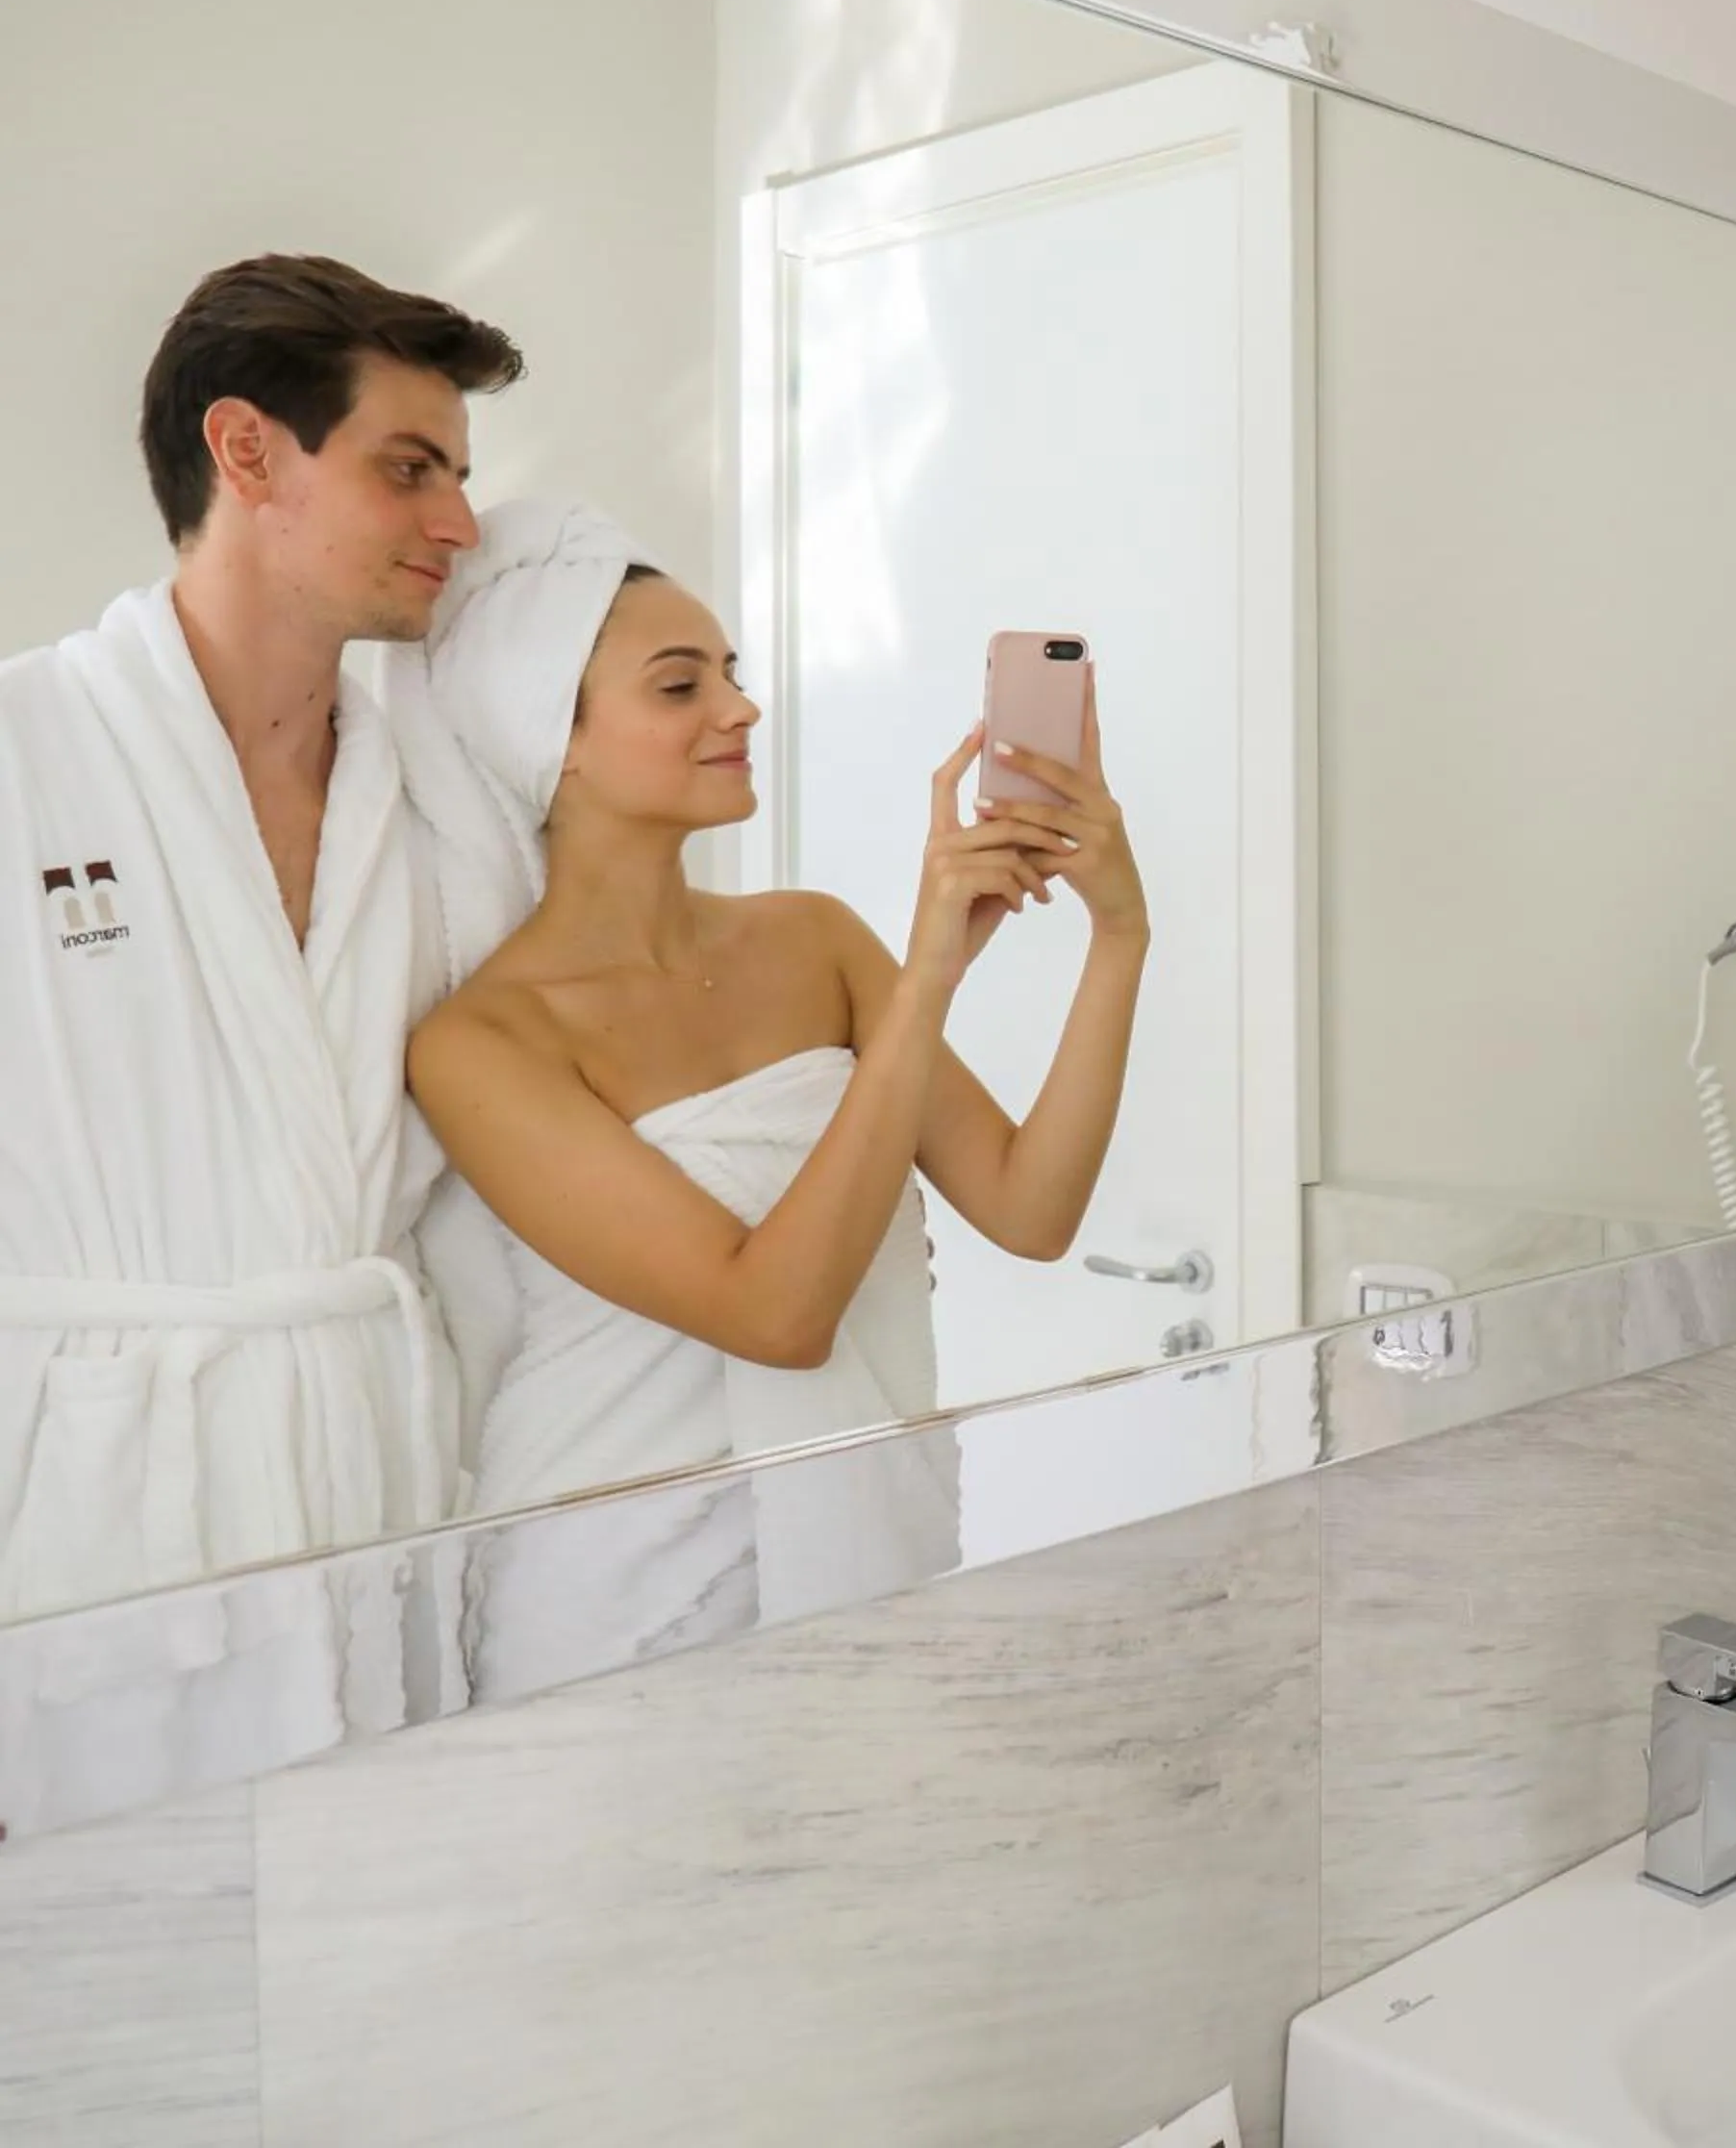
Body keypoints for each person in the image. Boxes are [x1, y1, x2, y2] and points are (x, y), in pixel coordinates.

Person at [393, 503, 1148, 1534]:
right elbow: (777, 1318)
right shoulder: (481, 1045)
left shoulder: (812, 938)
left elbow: (1031, 1213)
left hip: (863, 1537)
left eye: (731, 673)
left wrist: (1120, 935)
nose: (741, 709)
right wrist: (927, 980)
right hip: (616, 1555)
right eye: (680, 686)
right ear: (549, 735)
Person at [0, 254, 519, 1618]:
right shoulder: (21, 752)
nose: (460, 522)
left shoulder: (439, 807)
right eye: (409, 469)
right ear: (246, 451)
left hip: (376, 1480)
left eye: (459, 476)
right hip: (85, 1508)